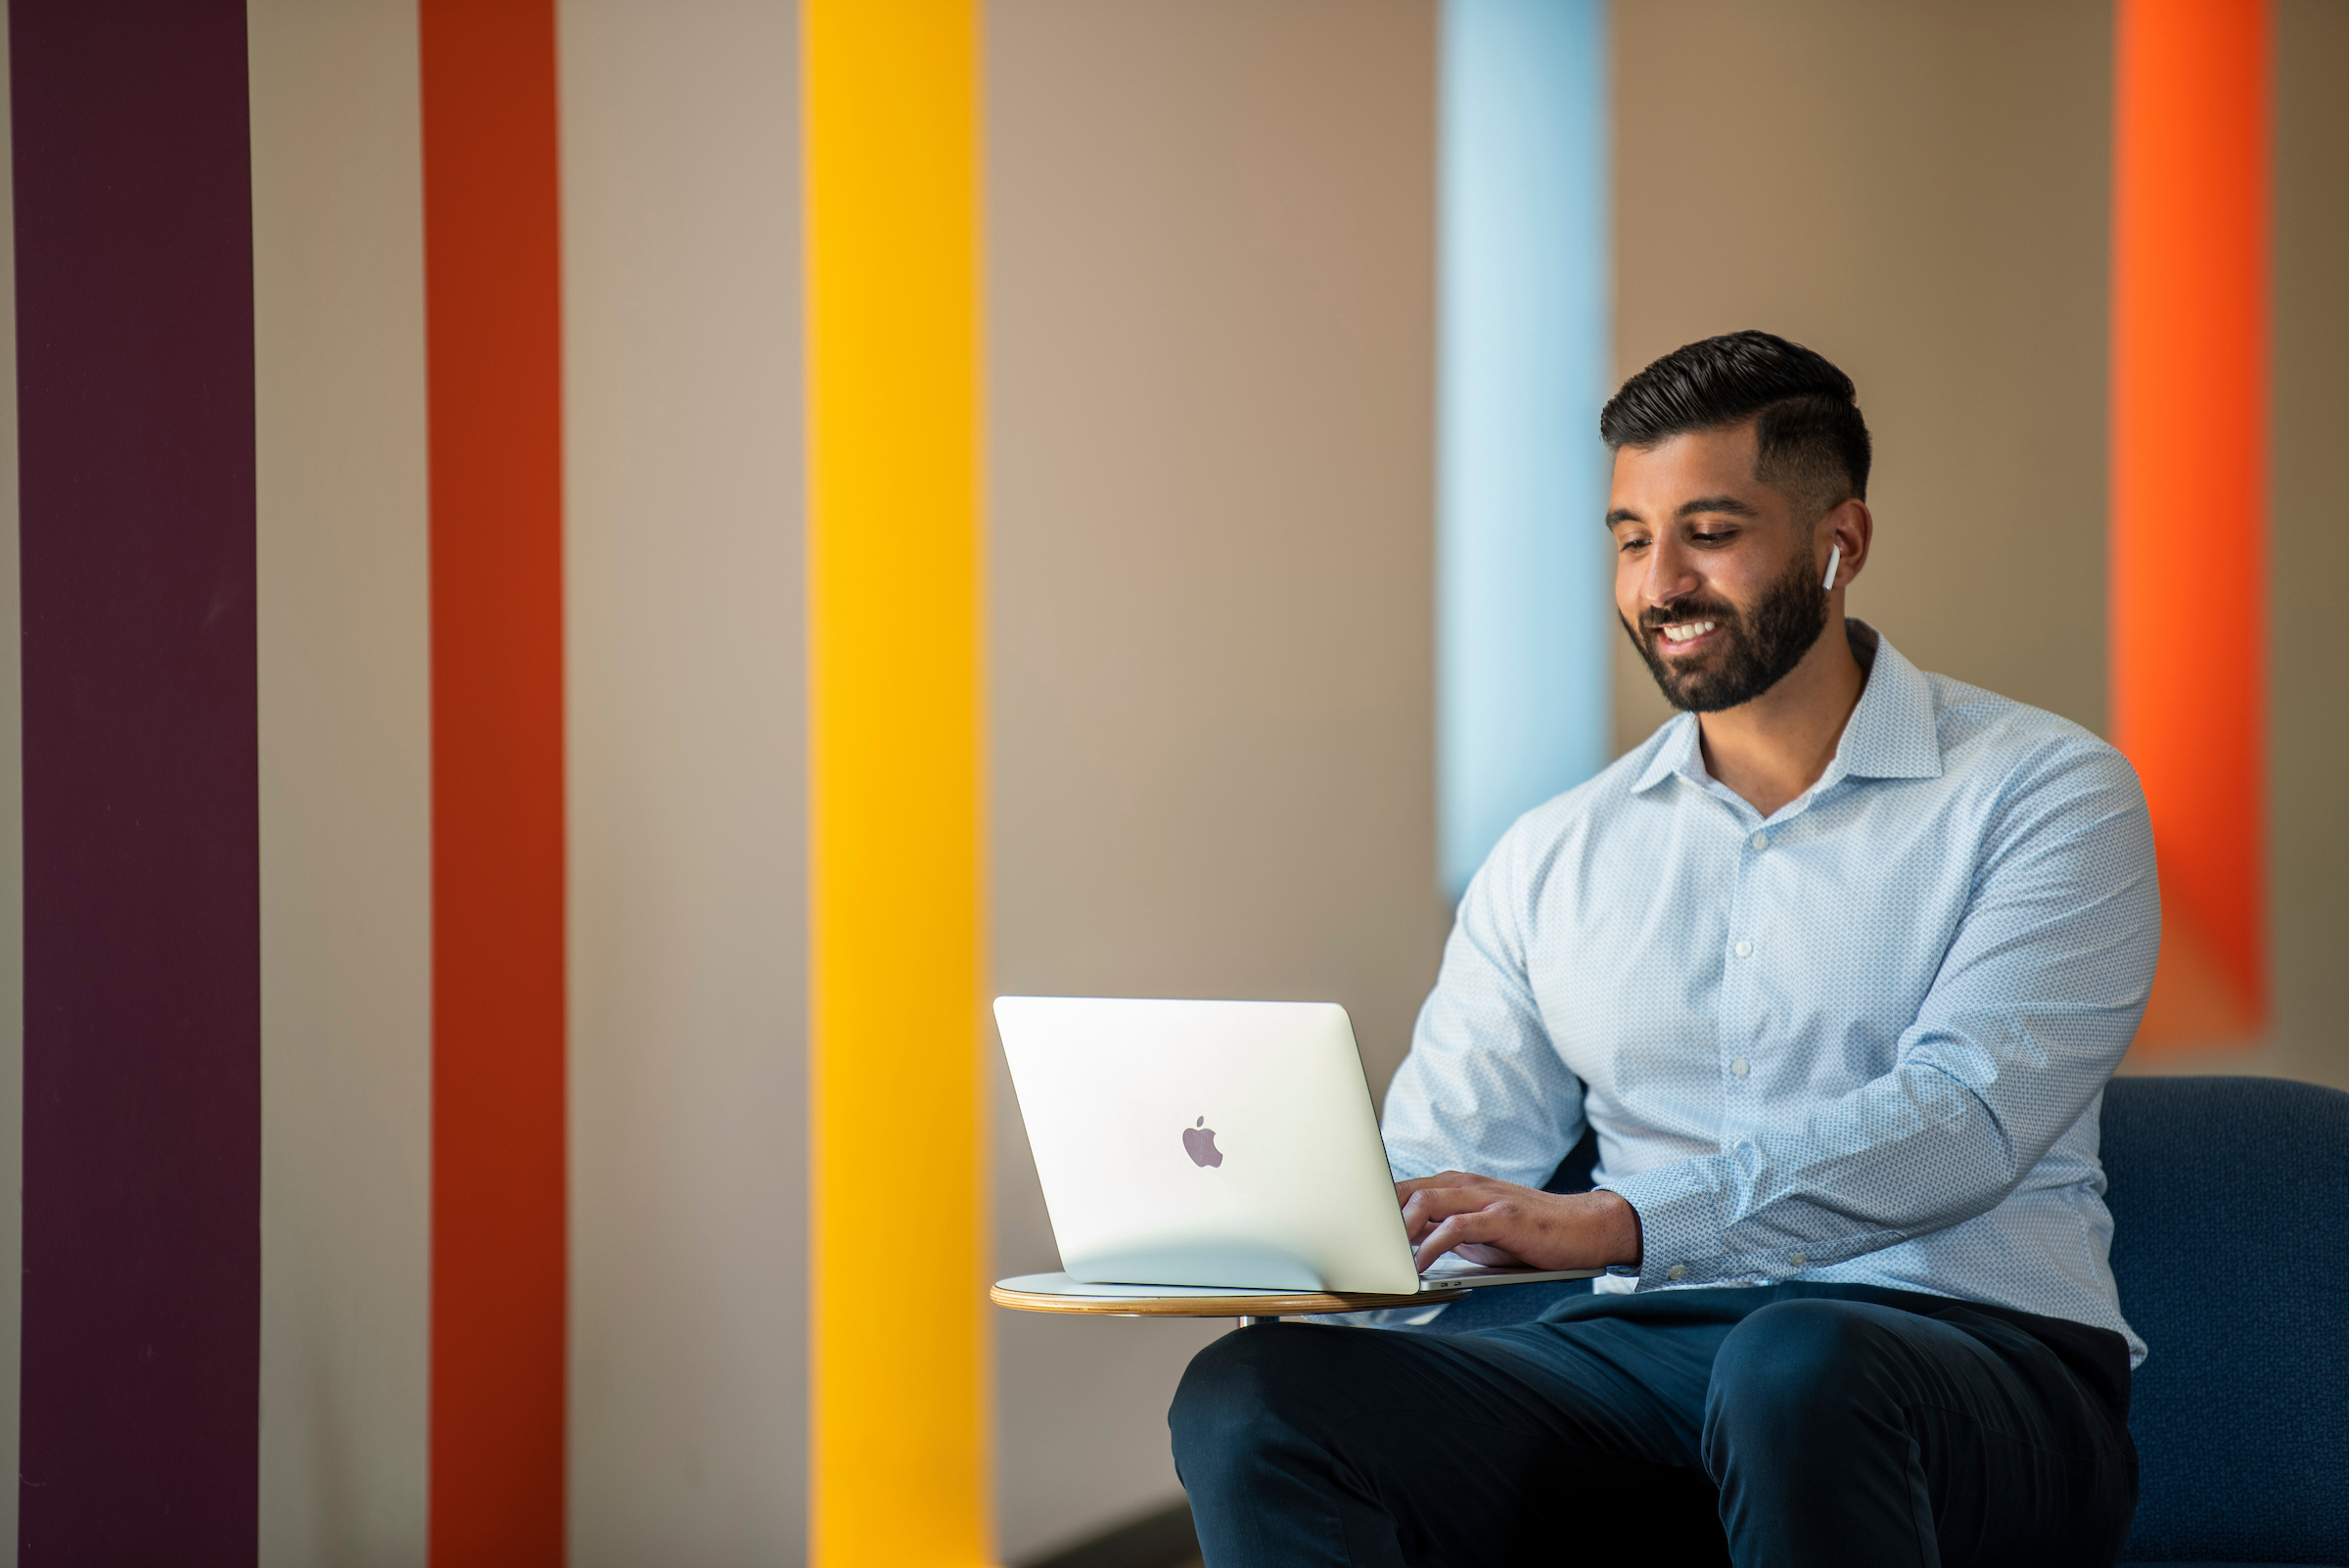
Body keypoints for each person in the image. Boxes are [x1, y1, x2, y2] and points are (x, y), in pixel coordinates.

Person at [1170, 331, 2158, 1567]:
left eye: (1711, 531)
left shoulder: (2045, 795)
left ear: (1839, 542)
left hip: (1975, 1365)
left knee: (1794, 1362)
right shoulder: (1551, 855)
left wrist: (1625, 1223)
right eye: (1633, 539)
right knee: (1253, 1392)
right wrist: (1298, 1252)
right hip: (1647, 1362)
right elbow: (1447, 1159)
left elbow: (1970, 1117)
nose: (1660, 583)